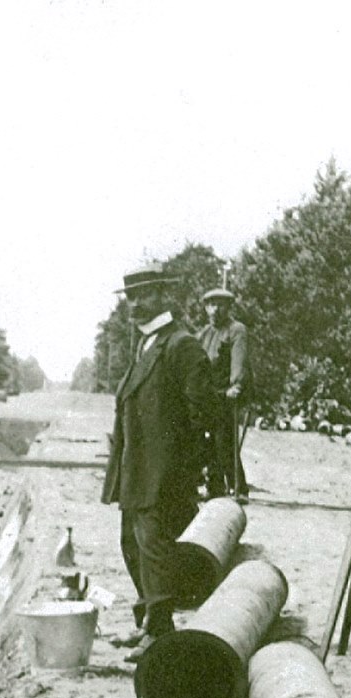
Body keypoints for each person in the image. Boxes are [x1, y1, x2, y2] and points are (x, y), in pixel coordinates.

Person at [103, 267, 210, 659]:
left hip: (162, 472)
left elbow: (203, 413)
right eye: (130, 297)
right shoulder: (146, 343)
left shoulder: (181, 345)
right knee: (131, 544)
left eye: (144, 295)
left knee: (155, 547)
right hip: (136, 468)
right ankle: (146, 620)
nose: (135, 304)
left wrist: (186, 470)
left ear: (164, 295)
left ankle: (160, 632)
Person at [198, 287, 250, 498]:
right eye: (210, 305)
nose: (214, 310)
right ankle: (215, 487)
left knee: (224, 442)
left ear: (228, 307)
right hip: (209, 394)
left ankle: (239, 488)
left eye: (219, 305)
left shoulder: (236, 330)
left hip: (227, 394)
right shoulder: (204, 333)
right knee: (206, 442)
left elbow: (239, 360)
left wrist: (236, 385)